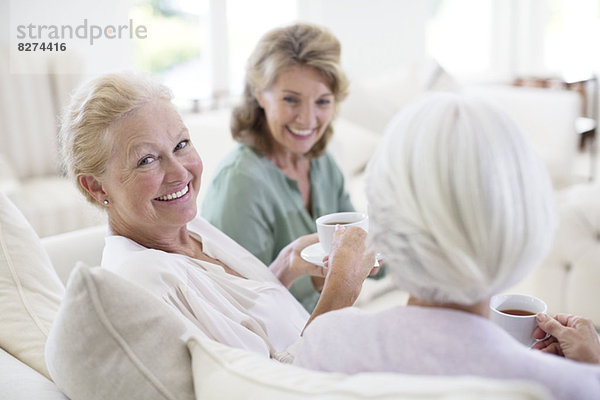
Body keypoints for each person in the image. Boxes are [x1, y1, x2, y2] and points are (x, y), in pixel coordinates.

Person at [293, 93, 600, 399]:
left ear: (384, 222)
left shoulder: (330, 341)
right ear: (527, 219)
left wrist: (340, 284)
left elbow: (295, 377)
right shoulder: (574, 385)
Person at [58, 72, 375, 362]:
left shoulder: (187, 225)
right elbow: (271, 388)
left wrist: (286, 265)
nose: (180, 172)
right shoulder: (146, 281)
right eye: (146, 160)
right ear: (96, 186)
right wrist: (342, 288)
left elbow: (239, 320)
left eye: (181, 144)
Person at [200, 23, 356, 312]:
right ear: (260, 94)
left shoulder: (323, 164)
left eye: (322, 101)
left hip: (331, 325)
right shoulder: (241, 181)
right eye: (290, 99)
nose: (308, 119)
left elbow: (364, 246)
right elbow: (238, 304)